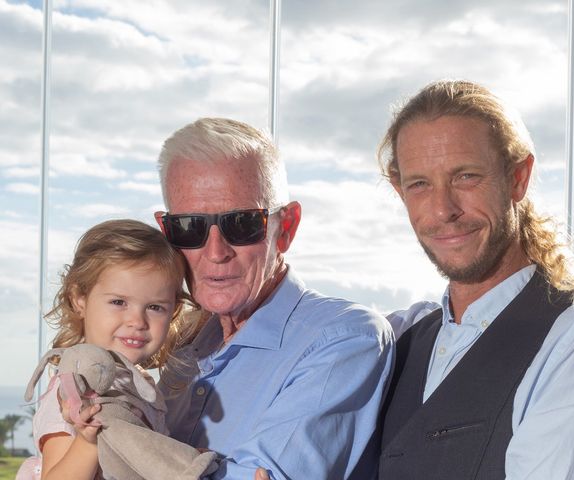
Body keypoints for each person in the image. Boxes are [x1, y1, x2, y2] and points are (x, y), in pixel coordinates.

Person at [377, 80, 574, 479]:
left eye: (466, 177)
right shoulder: (402, 340)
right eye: (420, 184)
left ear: (517, 178)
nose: (443, 209)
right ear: (400, 192)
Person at [154, 117, 394, 479]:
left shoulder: (345, 339)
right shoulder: (178, 343)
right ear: (166, 233)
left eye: (242, 224)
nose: (216, 252)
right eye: (190, 227)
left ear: (287, 227)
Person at [17, 219, 201, 480]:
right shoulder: (74, 389)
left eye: (155, 307)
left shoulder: (139, 385)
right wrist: (87, 442)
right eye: (118, 302)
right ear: (79, 299)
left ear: (174, 312)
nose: (137, 321)